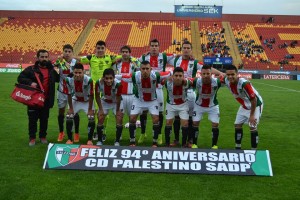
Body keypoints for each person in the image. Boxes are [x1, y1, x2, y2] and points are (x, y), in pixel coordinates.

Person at [168, 41, 223, 147]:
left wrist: (220, 73)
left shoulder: (195, 62)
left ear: (191, 50)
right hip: (177, 91)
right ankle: (176, 139)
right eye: (184, 48)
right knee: (176, 117)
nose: (186, 50)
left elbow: (208, 69)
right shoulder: (175, 59)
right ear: (181, 49)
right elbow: (162, 56)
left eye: (188, 48)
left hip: (189, 92)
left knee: (189, 118)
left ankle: (190, 140)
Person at [120, 61, 171, 147]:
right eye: (143, 69)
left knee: (156, 119)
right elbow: (121, 77)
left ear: (151, 69)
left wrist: (172, 77)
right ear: (140, 69)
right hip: (138, 100)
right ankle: (132, 141)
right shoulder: (135, 76)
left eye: (147, 69)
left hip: (152, 100)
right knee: (132, 118)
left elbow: (170, 73)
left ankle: (154, 142)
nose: (145, 71)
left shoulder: (156, 75)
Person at [17, 49, 59, 146]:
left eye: (46, 57)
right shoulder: (31, 69)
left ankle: (43, 136)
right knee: (32, 120)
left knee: (44, 119)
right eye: (42, 57)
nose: (44, 59)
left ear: (48, 58)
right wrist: (30, 82)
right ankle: (32, 138)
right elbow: (20, 78)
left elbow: (60, 79)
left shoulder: (51, 70)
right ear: (38, 58)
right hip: (33, 100)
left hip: (46, 100)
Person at [138, 39, 175, 145]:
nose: (154, 47)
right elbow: (136, 64)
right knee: (143, 111)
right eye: (152, 45)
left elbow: (177, 59)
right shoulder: (144, 57)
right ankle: (143, 133)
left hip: (158, 88)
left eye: (156, 46)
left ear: (159, 47)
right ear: (149, 47)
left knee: (159, 113)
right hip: (146, 88)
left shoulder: (164, 56)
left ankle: (159, 135)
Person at [79, 40, 116, 141]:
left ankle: (103, 131)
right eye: (98, 48)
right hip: (95, 88)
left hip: (108, 88)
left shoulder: (110, 58)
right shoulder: (91, 58)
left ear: (105, 49)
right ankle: (96, 131)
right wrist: (63, 57)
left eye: (102, 48)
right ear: (96, 48)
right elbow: (77, 59)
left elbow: (123, 57)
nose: (100, 50)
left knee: (105, 113)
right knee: (97, 111)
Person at [224, 65, 263, 149]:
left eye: (232, 74)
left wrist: (251, 115)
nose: (230, 77)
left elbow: (254, 100)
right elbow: (219, 77)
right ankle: (238, 148)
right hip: (244, 105)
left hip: (255, 105)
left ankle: (253, 150)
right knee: (237, 125)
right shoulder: (226, 80)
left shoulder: (244, 84)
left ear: (237, 74)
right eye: (228, 75)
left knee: (252, 126)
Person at [191, 65, 223, 149]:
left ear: (211, 73)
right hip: (199, 105)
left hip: (213, 106)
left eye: (207, 73)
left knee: (215, 124)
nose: (205, 75)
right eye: (203, 73)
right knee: (195, 123)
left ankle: (214, 145)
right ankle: (194, 144)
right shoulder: (196, 81)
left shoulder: (217, 82)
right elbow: (185, 82)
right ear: (200, 74)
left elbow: (229, 81)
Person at [54, 44, 80, 142]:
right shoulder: (59, 62)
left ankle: (76, 133)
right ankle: (61, 132)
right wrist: (59, 62)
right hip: (61, 91)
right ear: (63, 52)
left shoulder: (75, 62)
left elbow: (79, 73)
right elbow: (54, 69)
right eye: (66, 51)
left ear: (72, 53)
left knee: (74, 112)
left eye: (69, 51)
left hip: (73, 92)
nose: (67, 53)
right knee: (61, 111)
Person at [65, 63, 95, 145]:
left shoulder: (89, 80)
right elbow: (68, 94)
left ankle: (89, 140)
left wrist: (90, 109)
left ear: (83, 72)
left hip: (87, 101)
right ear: (73, 72)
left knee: (91, 118)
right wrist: (70, 108)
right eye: (75, 73)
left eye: (80, 73)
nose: (77, 75)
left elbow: (91, 95)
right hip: (76, 100)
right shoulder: (68, 80)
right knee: (69, 117)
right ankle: (70, 139)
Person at [112, 45, 139, 131]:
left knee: (132, 117)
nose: (124, 54)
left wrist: (135, 61)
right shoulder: (117, 64)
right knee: (119, 117)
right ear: (121, 53)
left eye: (126, 52)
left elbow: (139, 72)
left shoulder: (134, 64)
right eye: (123, 52)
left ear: (129, 53)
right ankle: (118, 138)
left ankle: (132, 138)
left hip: (131, 94)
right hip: (120, 95)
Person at [163, 67, 192, 147]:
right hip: (170, 105)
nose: (178, 78)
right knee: (168, 122)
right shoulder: (167, 83)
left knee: (185, 123)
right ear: (173, 76)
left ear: (183, 76)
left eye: (180, 76)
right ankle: (167, 144)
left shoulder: (187, 83)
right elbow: (159, 82)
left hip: (183, 105)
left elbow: (194, 81)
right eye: (176, 75)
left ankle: (184, 144)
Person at [95, 68, 123, 146]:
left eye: (111, 78)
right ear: (103, 77)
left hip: (116, 102)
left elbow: (118, 97)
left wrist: (117, 110)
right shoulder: (98, 83)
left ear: (114, 78)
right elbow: (97, 96)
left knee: (119, 118)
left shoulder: (118, 84)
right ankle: (100, 140)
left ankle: (117, 141)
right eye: (106, 78)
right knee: (100, 117)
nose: (108, 80)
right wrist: (100, 109)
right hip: (105, 101)